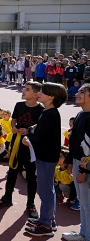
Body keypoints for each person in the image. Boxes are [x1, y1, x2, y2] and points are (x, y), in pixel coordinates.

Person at [0, 81, 43, 218]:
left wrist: (29, 130)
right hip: (16, 144)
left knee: (32, 176)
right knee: (12, 171)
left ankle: (30, 204)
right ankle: (7, 197)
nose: (23, 91)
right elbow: (14, 119)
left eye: (27, 89)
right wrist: (14, 127)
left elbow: (40, 125)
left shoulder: (41, 109)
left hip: (30, 146)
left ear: (36, 94)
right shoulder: (19, 105)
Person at [23, 82, 67, 236]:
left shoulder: (50, 114)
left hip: (46, 157)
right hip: (45, 156)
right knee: (47, 189)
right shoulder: (48, 112)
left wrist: (29, 132)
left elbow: (37, 135)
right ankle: (48, 219)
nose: (38, 93)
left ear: (52, 97)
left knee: (45, 190)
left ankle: (46, 224)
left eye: (43, 91)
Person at [62, 84, 90, 241]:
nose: (77, 94)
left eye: (82, 92)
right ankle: (83, 233)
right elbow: (74, 141)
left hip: (85, 166)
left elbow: (88, 148)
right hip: (77, 162)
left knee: (87, 204)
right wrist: (70, 160)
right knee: (84, 201)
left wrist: (84, 171)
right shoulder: (80, 114)